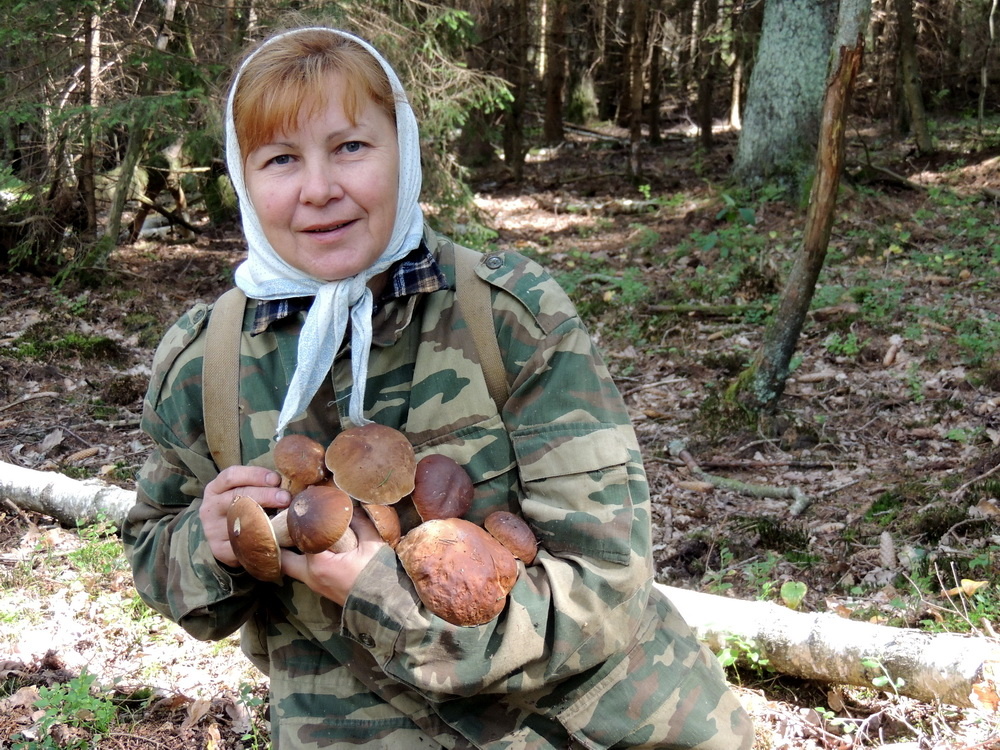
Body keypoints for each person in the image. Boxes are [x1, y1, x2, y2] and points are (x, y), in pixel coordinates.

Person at [123, 24, 754, 750]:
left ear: (405, 151)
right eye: (281, 159)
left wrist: (380, 597)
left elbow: (606, 581)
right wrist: (212, 546)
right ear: (243, 176)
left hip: (584, 731)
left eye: (350, 147)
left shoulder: (508, 317)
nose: (319, 189)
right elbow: (157, 552)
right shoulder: (208, 361)